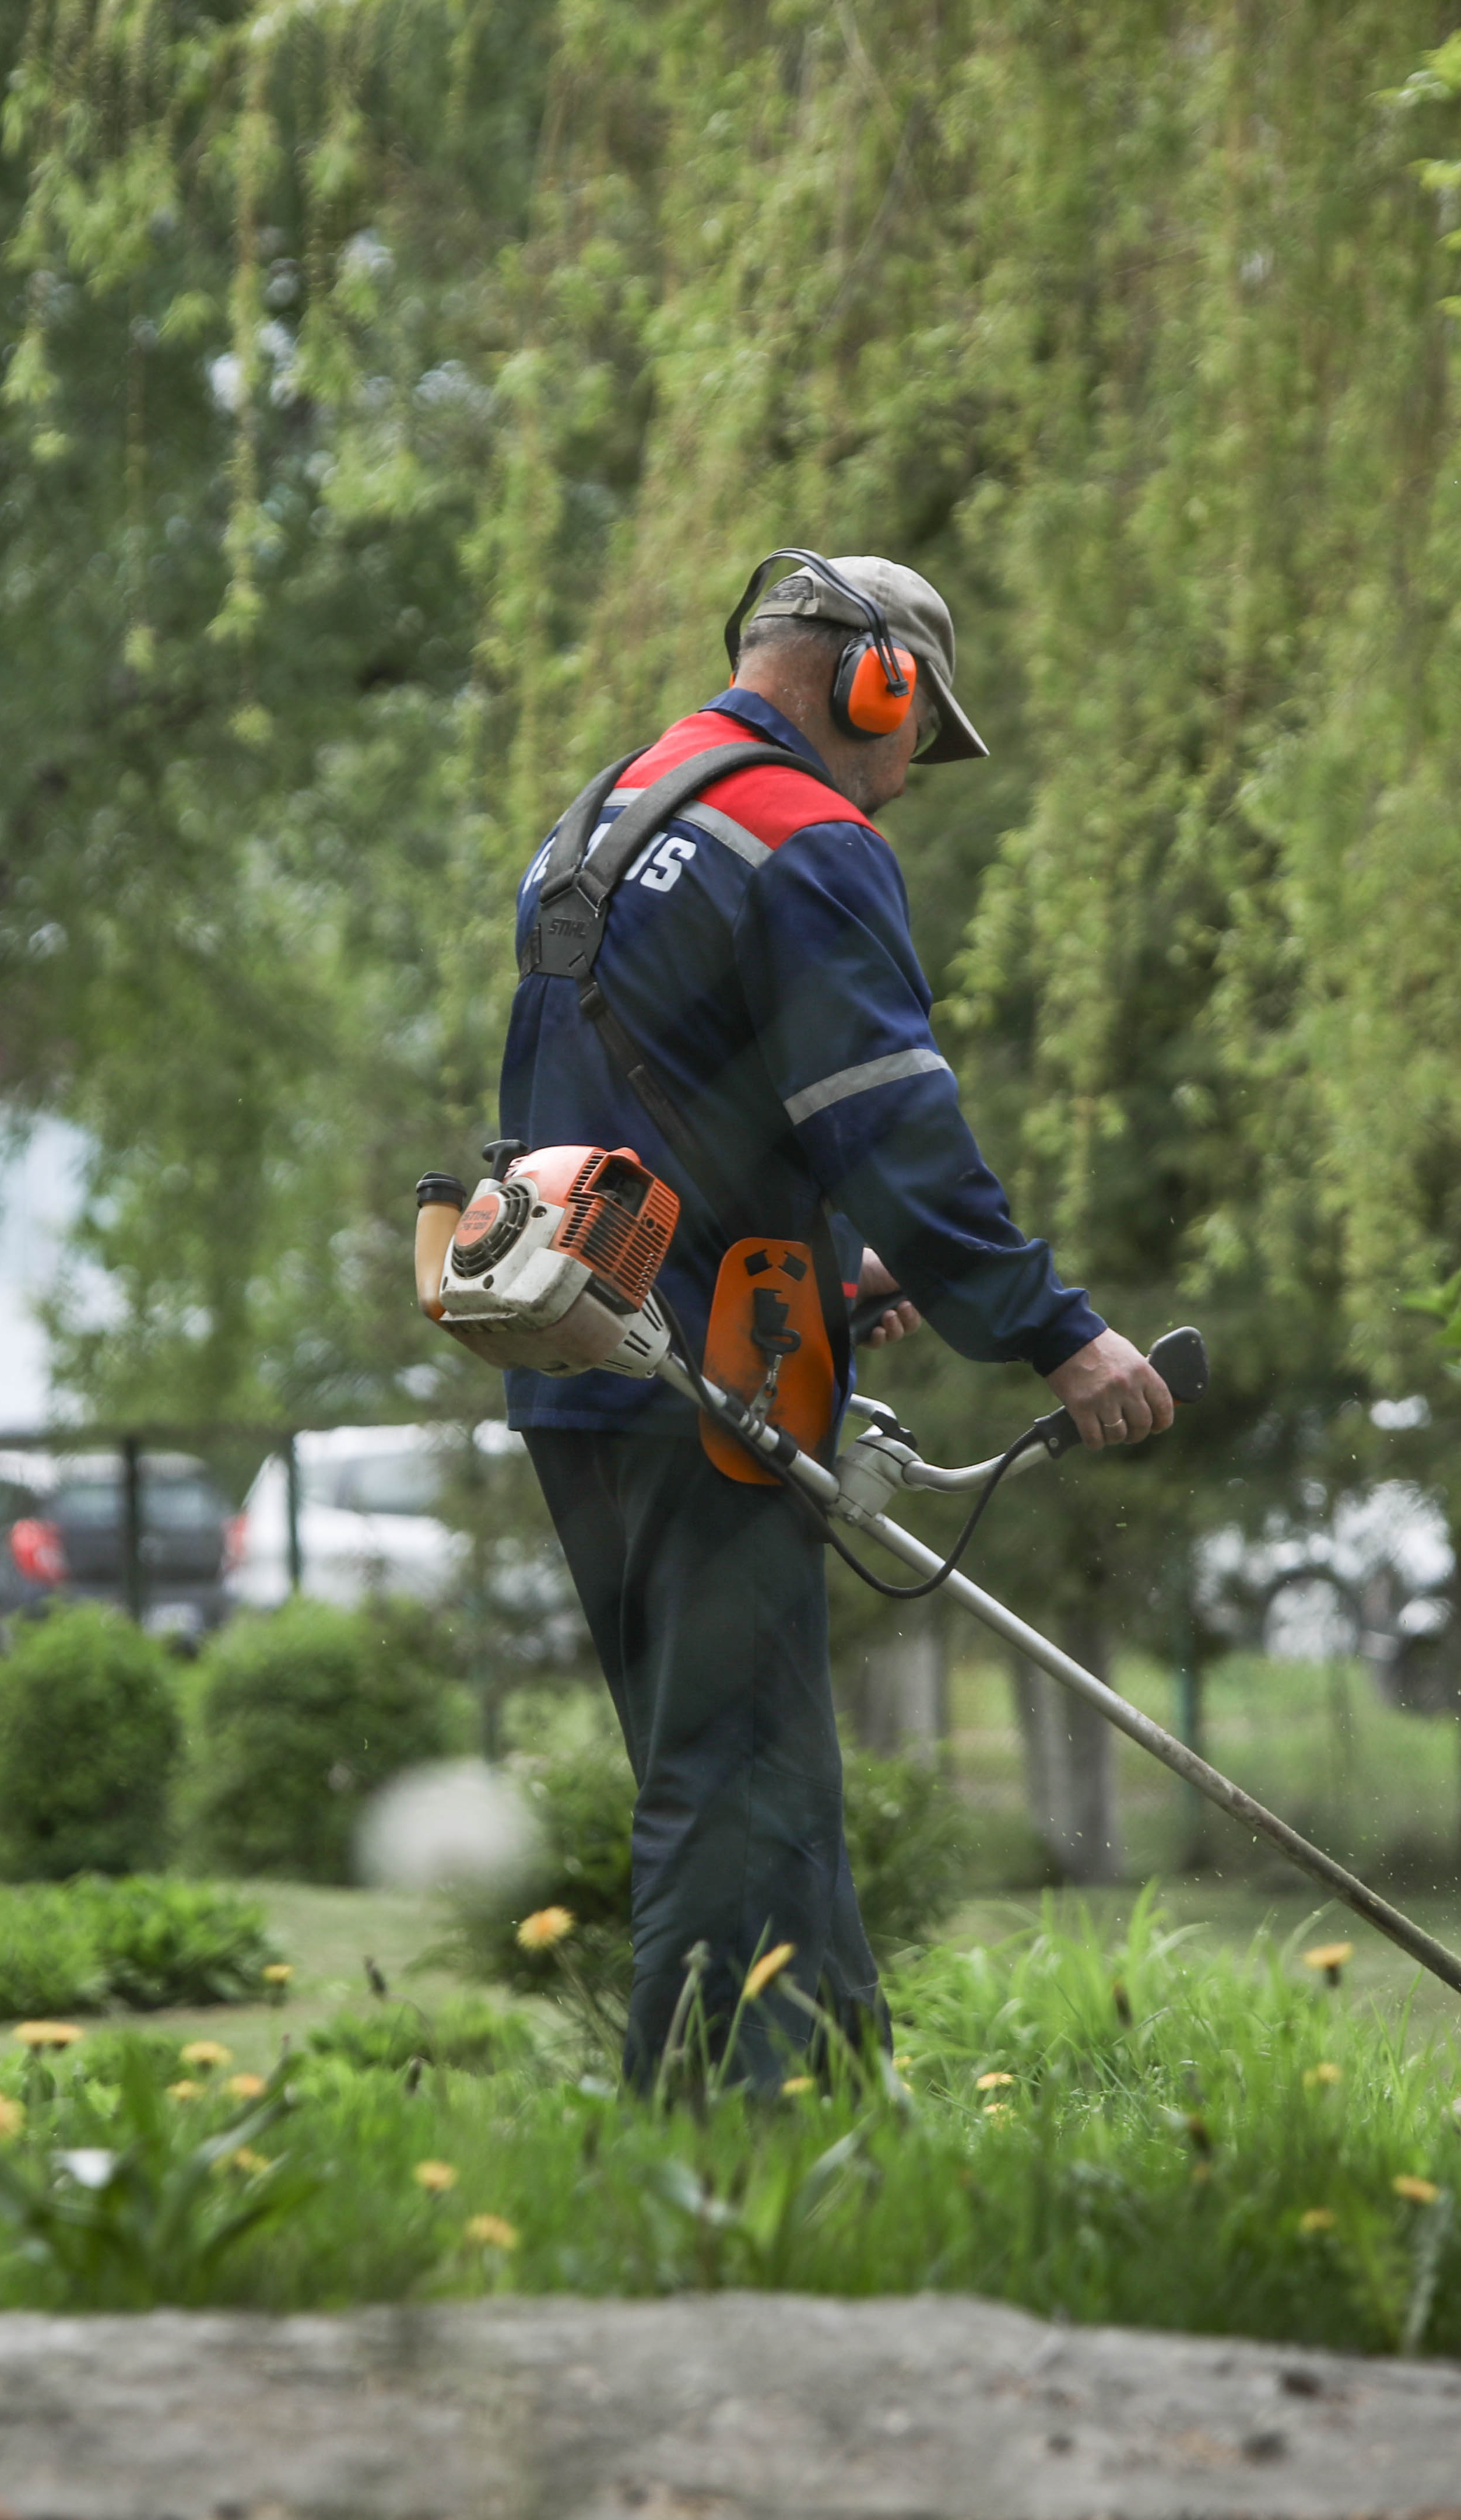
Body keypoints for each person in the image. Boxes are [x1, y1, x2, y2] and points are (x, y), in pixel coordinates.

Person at [497, 548, 1174, 2091]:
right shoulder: (799, 833)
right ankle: (729, 2151)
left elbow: (624, 1119)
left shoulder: (600, 823)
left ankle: (832, 2114)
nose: (907, 778)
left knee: (742, 1772)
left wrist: (841, 1276)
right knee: (738, 1787)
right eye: (912, 730)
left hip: (582, 1361)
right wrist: (1056, 1331)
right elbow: (896, 1129)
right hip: (707, 1380)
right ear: (864, 676)